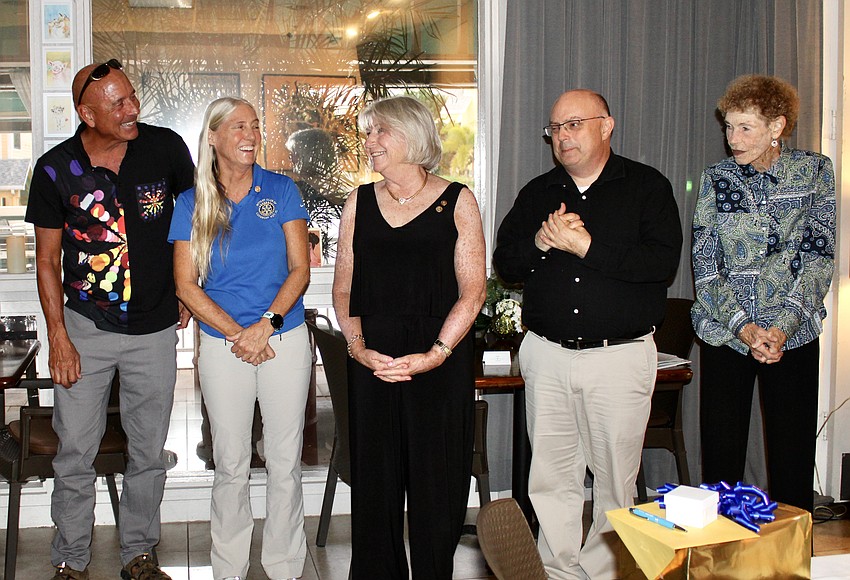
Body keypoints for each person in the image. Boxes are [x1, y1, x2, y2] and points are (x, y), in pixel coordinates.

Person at [493, 89, 682, 579]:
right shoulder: (538, 192)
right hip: (547, 355)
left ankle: (605, 571)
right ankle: (557, 570)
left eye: (574, 124)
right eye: (555, 128)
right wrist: (540, 240)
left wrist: (586, 246)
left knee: (616, 482)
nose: (563, 137)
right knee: (551, 477)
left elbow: (660, 265)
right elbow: (506, 263)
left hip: (617, 357)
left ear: (606, 126)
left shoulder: (647, 187)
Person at [25, 59, 195, 580]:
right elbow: (47, 261)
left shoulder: (165, 148)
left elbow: (193, 222)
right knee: (75, 452)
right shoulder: (55, 169)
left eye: (132, 97)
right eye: (118, 103)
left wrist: (188, 289)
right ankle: (71, 561)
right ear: (87, 114)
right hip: (84, 329)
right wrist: (58, 336)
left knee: (148, 452)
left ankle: (139, 555)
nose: (132, 109)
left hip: (156, 328)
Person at [332, 95, 486, 579]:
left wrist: (436, 354)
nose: (369, 140)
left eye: (380, 131)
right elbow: (343, 287)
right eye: (368, 131)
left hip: (440, 362)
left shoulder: (458, 200)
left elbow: (473, 292)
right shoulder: (358, 202)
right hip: (374, 363)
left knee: (437, 486)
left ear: (412, 136)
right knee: (374, 487)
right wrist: (358, 349)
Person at [169, 97, 311, 580]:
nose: (250, 135)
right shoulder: (191, 202)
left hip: (283, 338)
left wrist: (266, 325)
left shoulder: (282, 190)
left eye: (254, 126)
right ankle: (228, 568)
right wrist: (238, 334)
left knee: (284, 461)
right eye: (238, 127)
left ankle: (285, 567)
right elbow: (186, 285)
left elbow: (299, 269)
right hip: (224, 344)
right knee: (230, 463)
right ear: (212, 137)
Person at [692, 75, 835, 514]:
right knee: (721, 466)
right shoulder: (716, 179)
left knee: (792, 464)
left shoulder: (815, 171)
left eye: (745, 128)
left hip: (792, 335)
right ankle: (724, 548)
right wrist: (746, 328)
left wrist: (781, 328)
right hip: (727, 334)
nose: (732, 139)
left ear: (777, 126)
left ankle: (794, 550)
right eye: (728, 127)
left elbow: (818, 257)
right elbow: (706, 266)